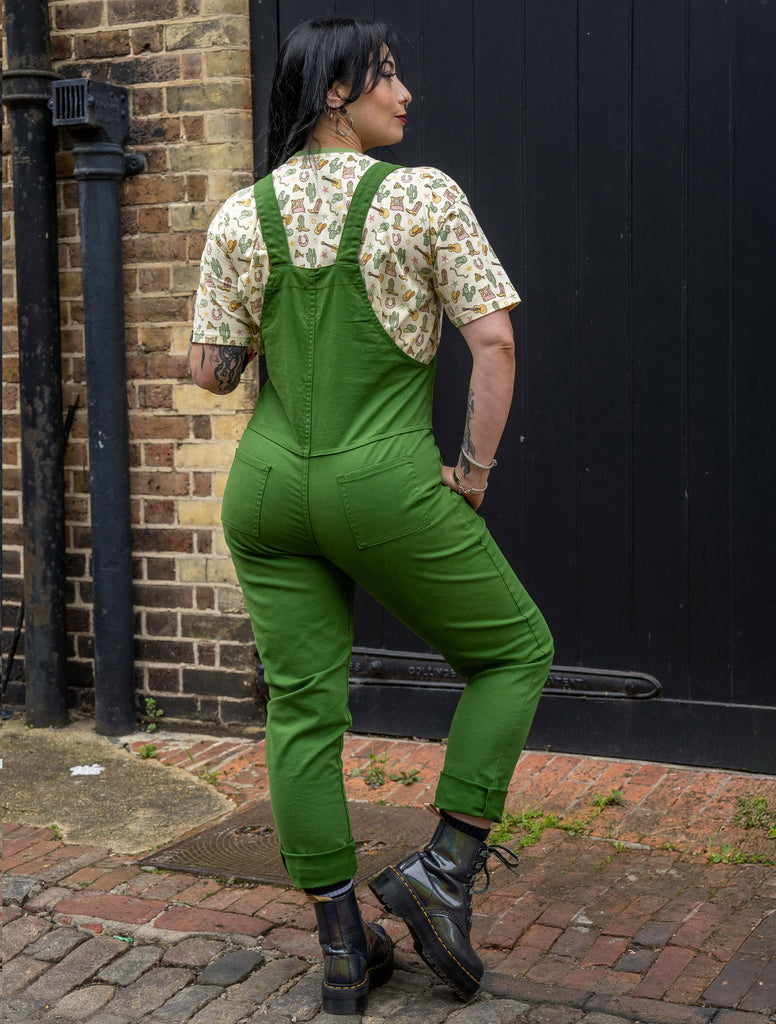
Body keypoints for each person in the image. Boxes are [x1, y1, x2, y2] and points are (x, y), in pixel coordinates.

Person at [190, 15, 554, 1015]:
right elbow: (495, 345)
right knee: (515, 650)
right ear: (334, 91)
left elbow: (212, 372)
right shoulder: (421, 196)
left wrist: (241, 330)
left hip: (268, 489)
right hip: (384, 480)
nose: (405, 92)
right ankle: (441, 871)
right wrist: (472, 473)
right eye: (385, 75)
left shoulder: (241, 214)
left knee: (301, 708)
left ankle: (344, 950)